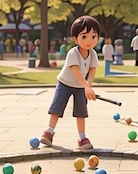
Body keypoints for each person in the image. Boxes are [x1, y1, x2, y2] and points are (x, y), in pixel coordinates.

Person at [39, 15, 100, 151]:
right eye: (84, 36)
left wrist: (88, 87)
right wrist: (86, 86)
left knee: (81, 112)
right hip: (65, 84)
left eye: (93, 36)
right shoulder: (73, 53)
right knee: (57, 108)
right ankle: (48, 132)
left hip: (81, 87)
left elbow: (92, 70)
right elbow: (76, 71)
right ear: (75, 38)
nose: (89, 40)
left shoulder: (93, 54)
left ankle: (82, 138)